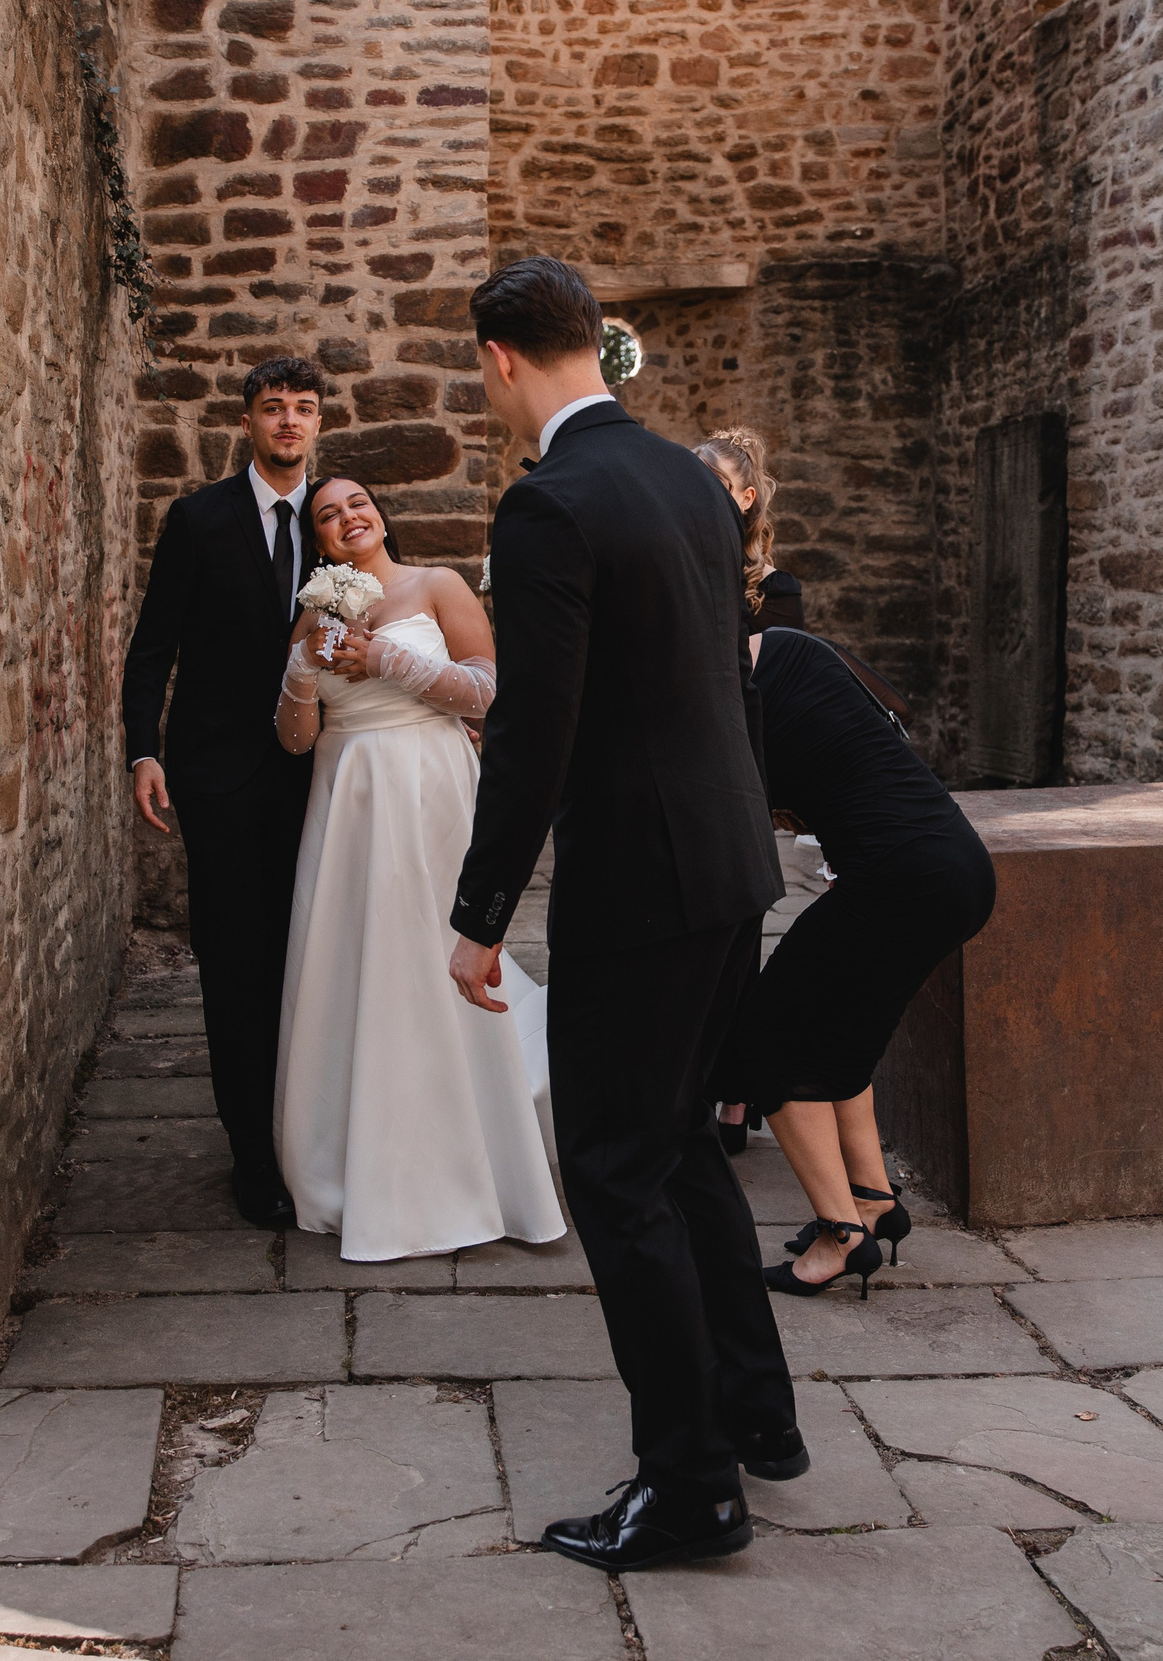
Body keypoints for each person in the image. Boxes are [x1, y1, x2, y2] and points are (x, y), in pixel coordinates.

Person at [445, 257, 800, 1573]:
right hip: (726, 865)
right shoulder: (689, 480)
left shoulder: (549, 502)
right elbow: (729, 683)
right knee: (681, 1148)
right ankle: (755, 1415)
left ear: (500, 358)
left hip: (640, 889)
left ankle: (693, 1486)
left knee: (611, 1168)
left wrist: (482, 908)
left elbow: (537, 727)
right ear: (591, 341)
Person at [268, 476, 567, 1261]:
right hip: (350, 800)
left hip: (433, 792)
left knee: (438, 953)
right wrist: (301, 672)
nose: (347, 517)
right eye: (327, 514)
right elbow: (295, 739)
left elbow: (489, 693)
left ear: (379, 515)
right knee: (363, 965)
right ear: (318, 541)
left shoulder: (437, 585)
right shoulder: (313, 615)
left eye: (357, 504)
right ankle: (368, 1159)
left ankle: (479, 1152)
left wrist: (389, 659)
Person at [710, 626, 996, 1297]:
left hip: (898, 881)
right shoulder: (799, 648)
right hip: (959, 866)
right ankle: (872, 1200)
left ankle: (839, 1238)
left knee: (764, 1043)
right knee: (843, 1044)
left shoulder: (727, 692)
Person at [121, 356, 324, 1228]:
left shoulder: (339, 517)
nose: (288, 421)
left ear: (318, 423)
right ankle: (252, 1156)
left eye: (303, 408)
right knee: (237, 962)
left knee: (312, 954)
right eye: (273, 407)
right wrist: (143, 750)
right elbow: (152, 647)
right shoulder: (198, 519)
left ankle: (311, 1131)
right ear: (247, 421)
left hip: (322, 774)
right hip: (219, 779)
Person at [693, 428, 802, 631]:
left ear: (747, 499)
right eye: (692, 486)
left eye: (717, 488)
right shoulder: (669, 570)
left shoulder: (776, 592)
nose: (700, 498)